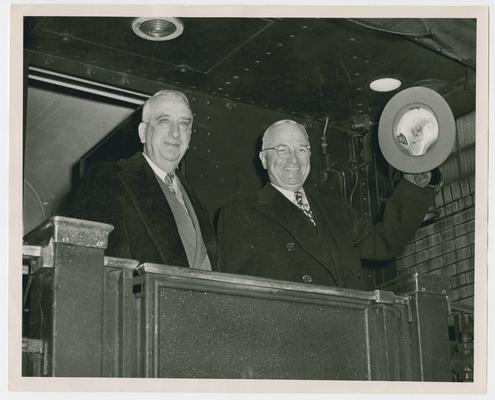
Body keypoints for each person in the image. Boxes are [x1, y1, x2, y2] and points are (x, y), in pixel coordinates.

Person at [217, 119, 438, 290]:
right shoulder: (240, 214)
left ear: (310, 155)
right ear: (264, 159)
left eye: (301, 150)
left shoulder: (337, 211)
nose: (294, 159)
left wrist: (416, 178)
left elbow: (384, 243)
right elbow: (242, 294)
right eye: (282, 150)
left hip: (350, 331)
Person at [75, 89, 217, 269]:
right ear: (143, 132)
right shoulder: (109, 178)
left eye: (183, 124)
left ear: (189, 137)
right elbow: (105, 269)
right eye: (164, 121)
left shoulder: (196, 199)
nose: (175, 133)